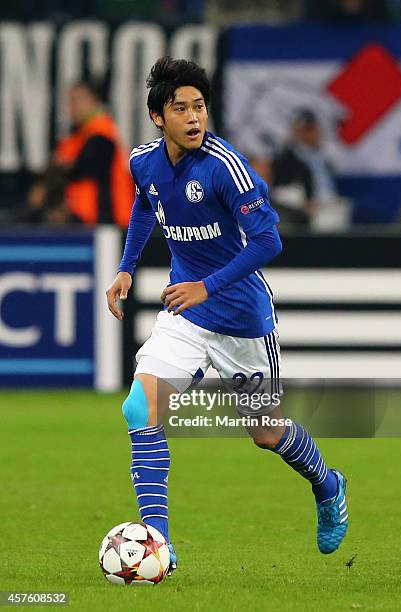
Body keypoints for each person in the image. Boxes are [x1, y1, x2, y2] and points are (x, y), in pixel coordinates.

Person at [106, 57, 349, 573]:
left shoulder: (226, 167)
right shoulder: (143, 161)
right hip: (186, 315)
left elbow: (268, 241)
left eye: (200, 107)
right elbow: (146, 204)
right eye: (181, 108)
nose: (195, 118)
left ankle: (329, 485)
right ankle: (159, 546)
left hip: (243, 319)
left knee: (265, 432)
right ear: (158, 117)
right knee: (138, 409)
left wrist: (207, 285)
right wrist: (127, 268)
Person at [19, 80, 134, 226]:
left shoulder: (102, 134)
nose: (73, 107)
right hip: (84, 222)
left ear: (94, 101)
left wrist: (55, 174)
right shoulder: (76, 137)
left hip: (105, 224)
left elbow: (84, 167)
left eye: (79, 100)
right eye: (71, 101)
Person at [271, 109, 348, 229]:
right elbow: (280, 192)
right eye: (303, 130)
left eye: (311, 129)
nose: (307, 135)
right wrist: (304, 204)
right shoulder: (287, 159)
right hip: (308, 211)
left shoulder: (323, 158)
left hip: (331, 205)